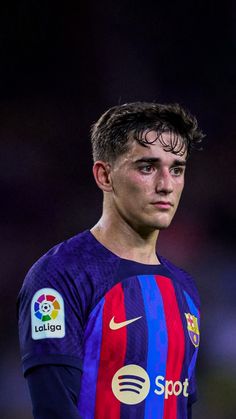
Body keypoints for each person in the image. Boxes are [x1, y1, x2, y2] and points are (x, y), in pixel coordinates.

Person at [18, 101, 204, 419]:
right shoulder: (59, 276)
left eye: (177, 169)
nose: (167, 185)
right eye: (147, 167)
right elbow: (55, 409)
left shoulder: (183, 287)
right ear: (104, 176)